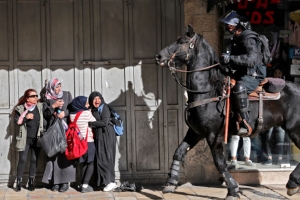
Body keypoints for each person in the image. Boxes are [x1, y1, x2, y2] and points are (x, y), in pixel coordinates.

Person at [220, 10, 266, 136]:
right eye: (228, 23)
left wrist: (231, 59)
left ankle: (245, 122)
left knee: (240, 87)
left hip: (253, 74)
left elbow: (251, 60)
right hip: (241, 73)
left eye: (232, 23)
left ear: (240, 25)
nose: (229, 25)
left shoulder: (248, 38)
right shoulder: (234, 39)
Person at [41, 78, 75, 192]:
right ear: (51, 87)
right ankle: (55, 183)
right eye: (56, 87)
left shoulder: (66, 95)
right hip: (53, 130)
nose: (59, 88)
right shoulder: (47, 97)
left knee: (64, 154)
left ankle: (65, 182)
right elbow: (45, 114)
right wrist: (53, 106)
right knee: (54, 155)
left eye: (59, 86)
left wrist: (65, 113)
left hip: (65, 129)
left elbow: (72, 109)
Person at [14, 89, 45, 192]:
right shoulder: (20, 109)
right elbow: (16, 122)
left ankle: (31, 181)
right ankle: (19, 182)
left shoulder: (40, 106)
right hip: (25, 139)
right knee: (22, 159)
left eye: (36, 95)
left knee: (34, 160)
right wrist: (26, 117)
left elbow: (49, 107)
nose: (36, 97)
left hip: (36, 138)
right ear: (27, 98)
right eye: (33, 96)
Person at [88, 91, 117, 192]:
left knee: (106, 157)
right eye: (94, 99)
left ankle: (111, 182)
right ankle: (103, 181)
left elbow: (104, 122)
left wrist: (91, 124)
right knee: (100, 157)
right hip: (99, 135)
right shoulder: (93, 109)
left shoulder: (104, 107)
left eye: (99, 98)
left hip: (107, 135)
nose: (97, 101)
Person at [69, 96, 96, 193]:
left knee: (85, 162)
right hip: (88, 141)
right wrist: (89, 111)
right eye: (86, 103)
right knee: (90, 163)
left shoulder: (72, 114)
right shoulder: (86, 113)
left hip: (78, 143)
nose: (88, 104)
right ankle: (85, 185)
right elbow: (94, 121)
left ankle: (82, 183)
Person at [262, 68, 286, 165]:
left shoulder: (285, 86)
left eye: (279, 72)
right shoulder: (270, 86)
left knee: (280, 138)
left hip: (281, 116)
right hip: (271, 115)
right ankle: (269, 156)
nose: (277, 74)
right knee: (267, 137)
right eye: (275, 73)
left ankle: (279, 157)